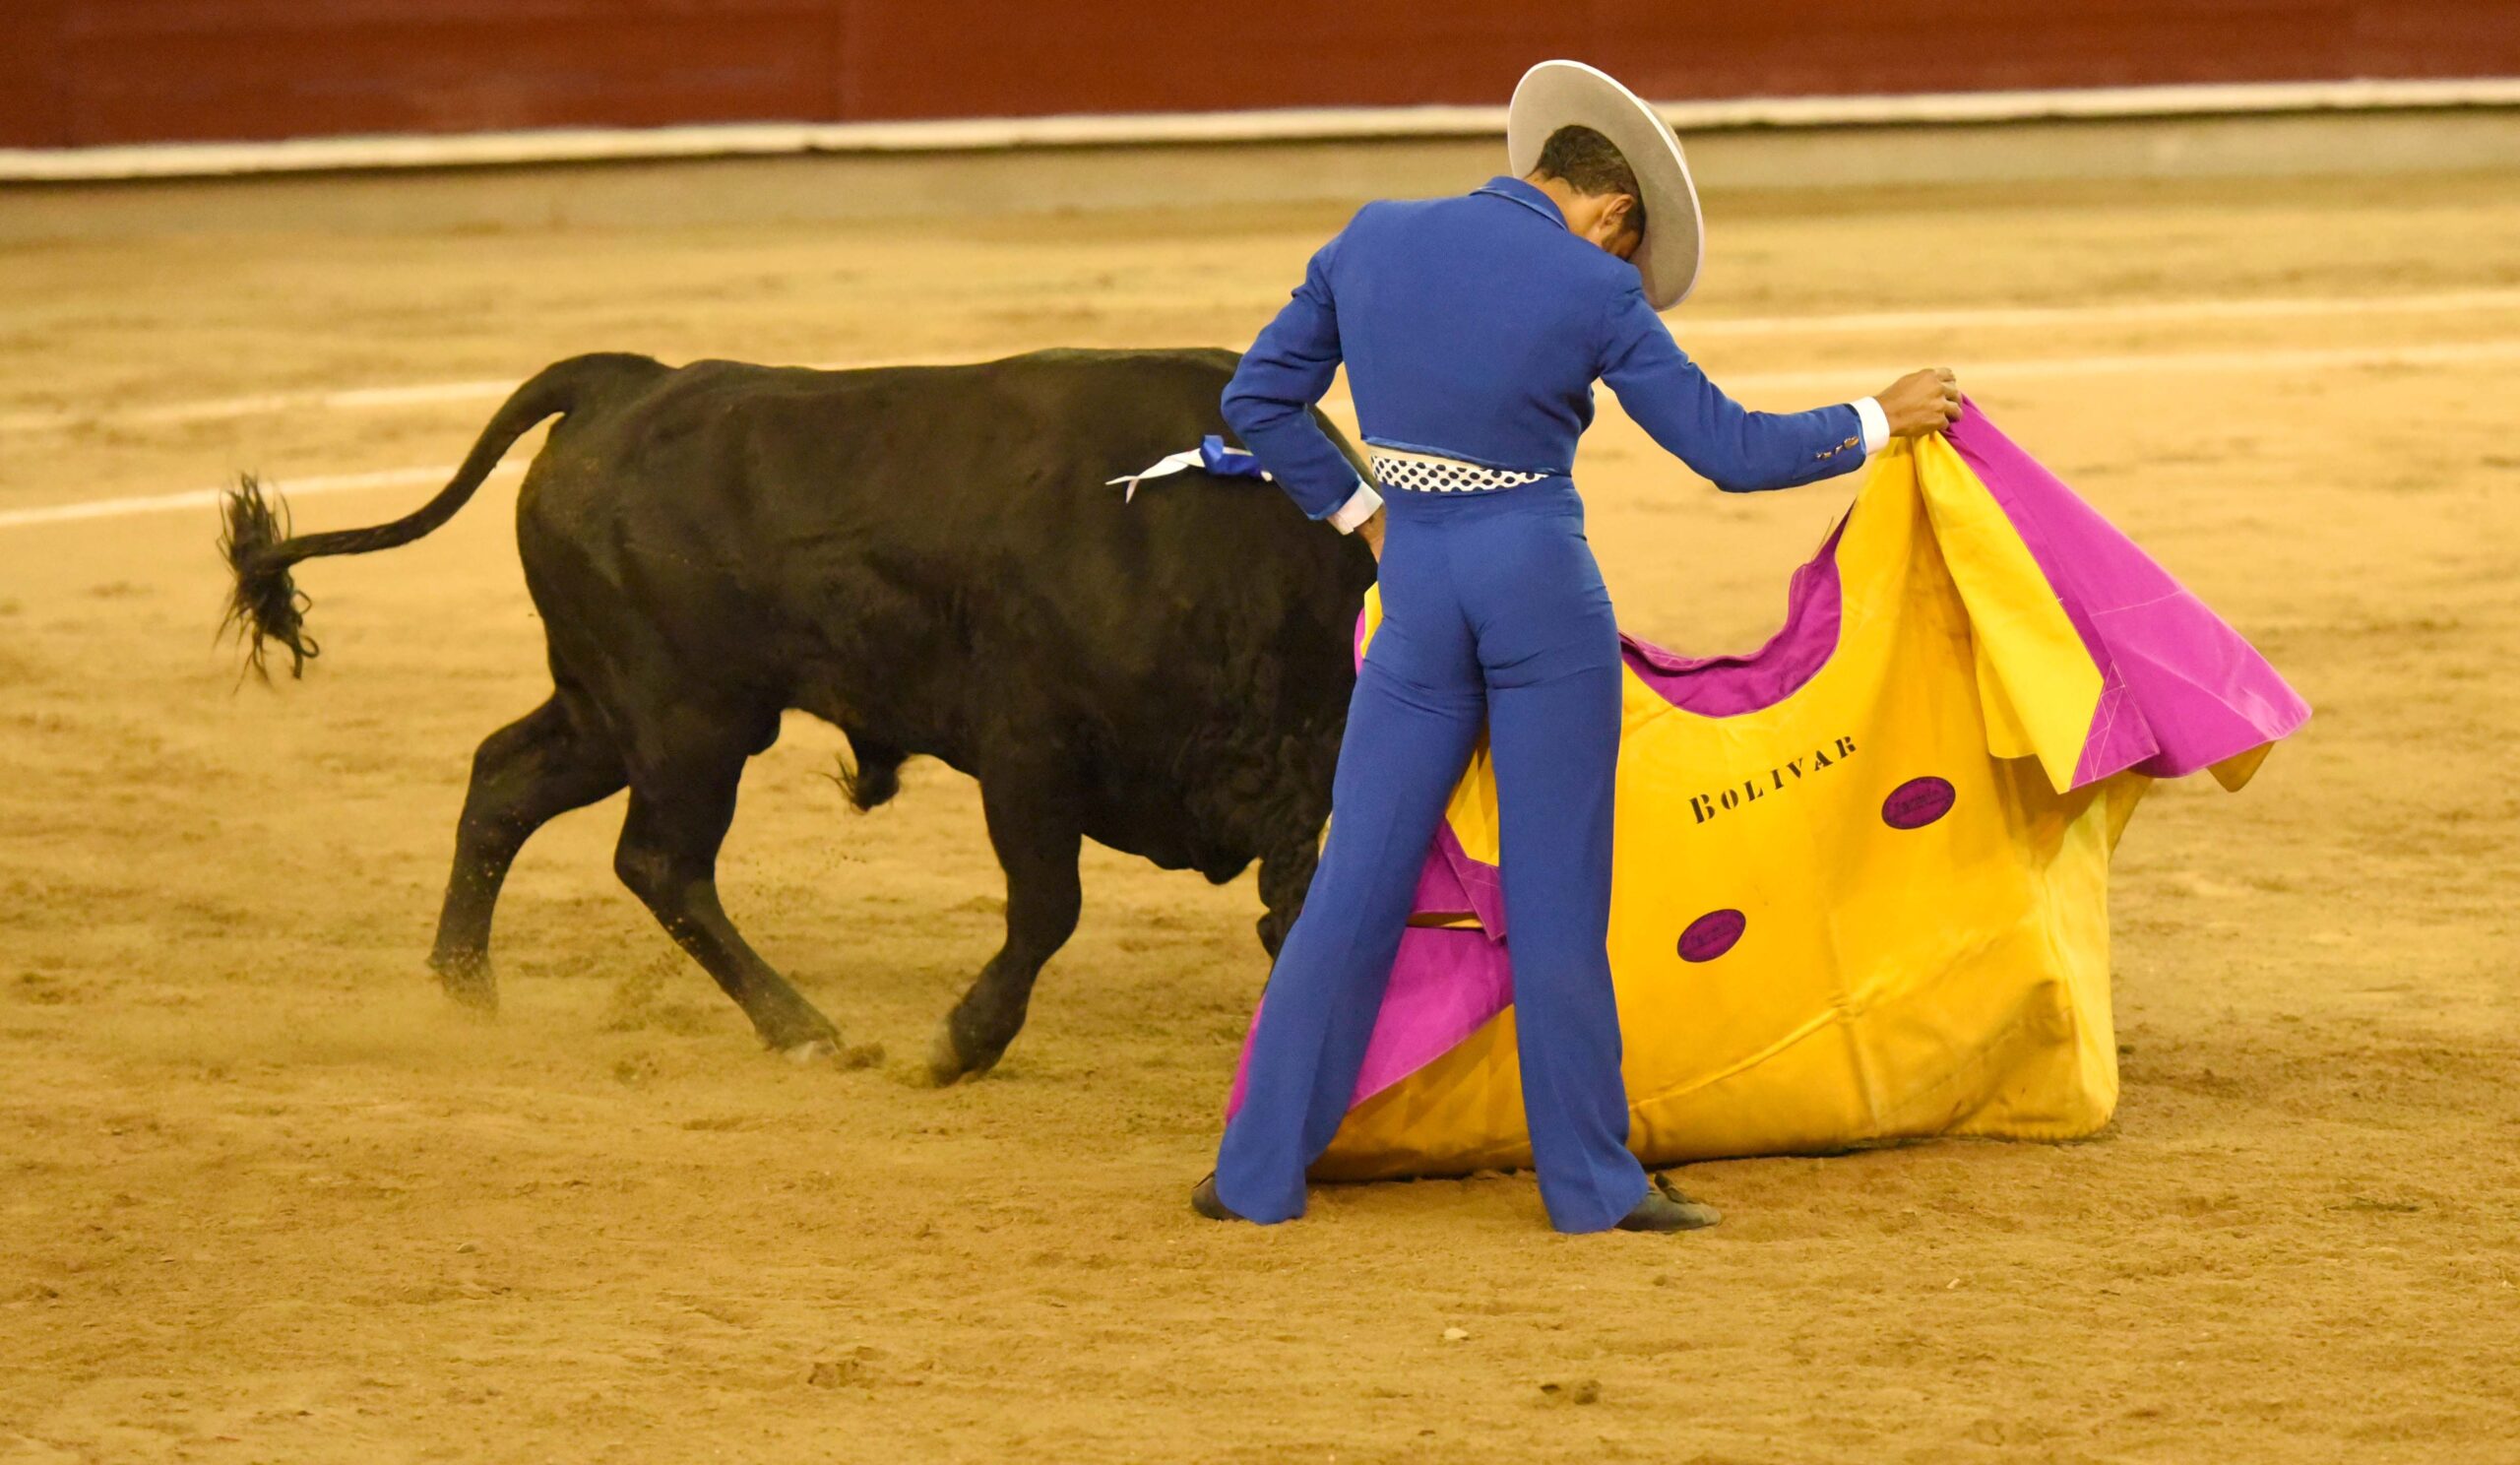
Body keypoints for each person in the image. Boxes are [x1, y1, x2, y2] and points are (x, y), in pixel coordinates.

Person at [1194, 61, 1962, 1235]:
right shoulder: (1593, 289)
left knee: (1355, 881)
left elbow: (1258, 400)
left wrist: (1368, 516)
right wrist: (1874, 416)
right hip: (1537, 586)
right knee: (1557, 893)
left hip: (1418, 579)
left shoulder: (1372, 237)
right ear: (1612, 217)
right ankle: (1591, 1188)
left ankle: (1254, 1175)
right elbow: (1731, 449)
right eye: (1626, 251)